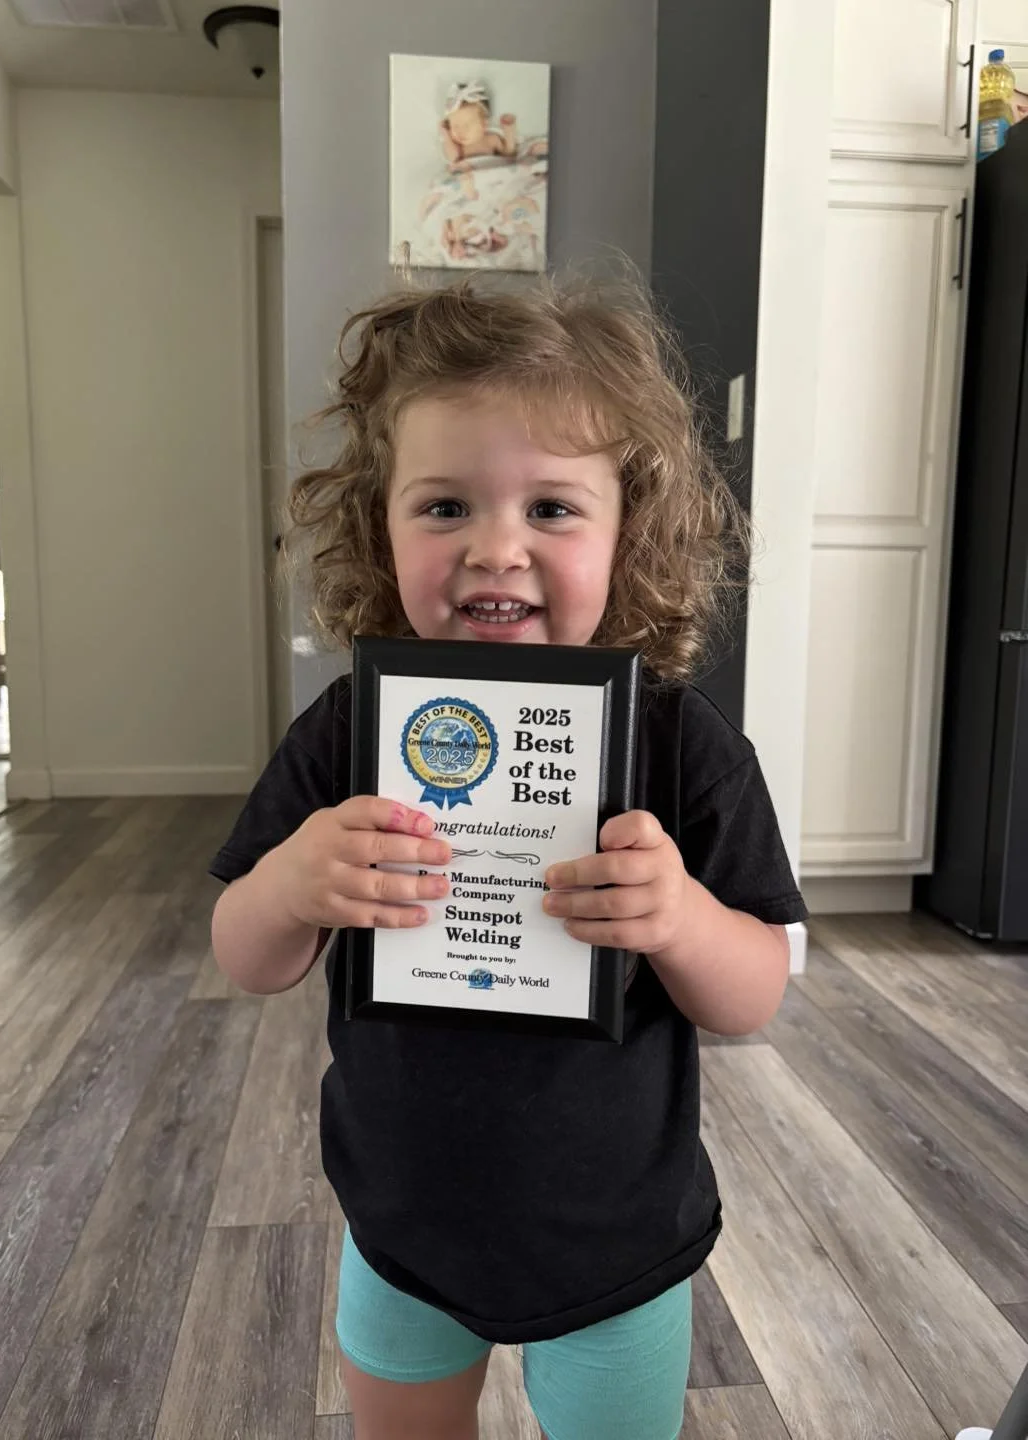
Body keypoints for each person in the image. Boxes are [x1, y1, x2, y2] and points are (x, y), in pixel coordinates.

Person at [209, 276, 807, 1440]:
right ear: (378, 522)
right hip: (400, 1225)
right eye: (444, 507)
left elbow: (755, 995)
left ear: (627, 527)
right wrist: (289, 886)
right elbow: (245, 954)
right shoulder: (348, 735)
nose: (497, 548)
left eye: (551, 508)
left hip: (616, 1246)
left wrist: (681, 918)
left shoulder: (684, 749)